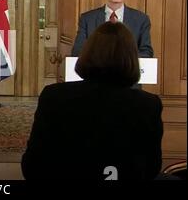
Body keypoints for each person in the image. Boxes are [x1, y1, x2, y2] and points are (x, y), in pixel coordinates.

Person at [22, 22, 163, 180]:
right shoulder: (148, 105)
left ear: (88, 53)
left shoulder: (54, 96)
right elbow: (151, 167)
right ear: (131, 58)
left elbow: (32, 165)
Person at [71, 0, 153, 58]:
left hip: (126, 69)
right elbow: (78, 52)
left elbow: (146, 53)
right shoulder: (87, 19)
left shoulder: (141, 20)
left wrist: (121, 60)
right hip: (96, 69)